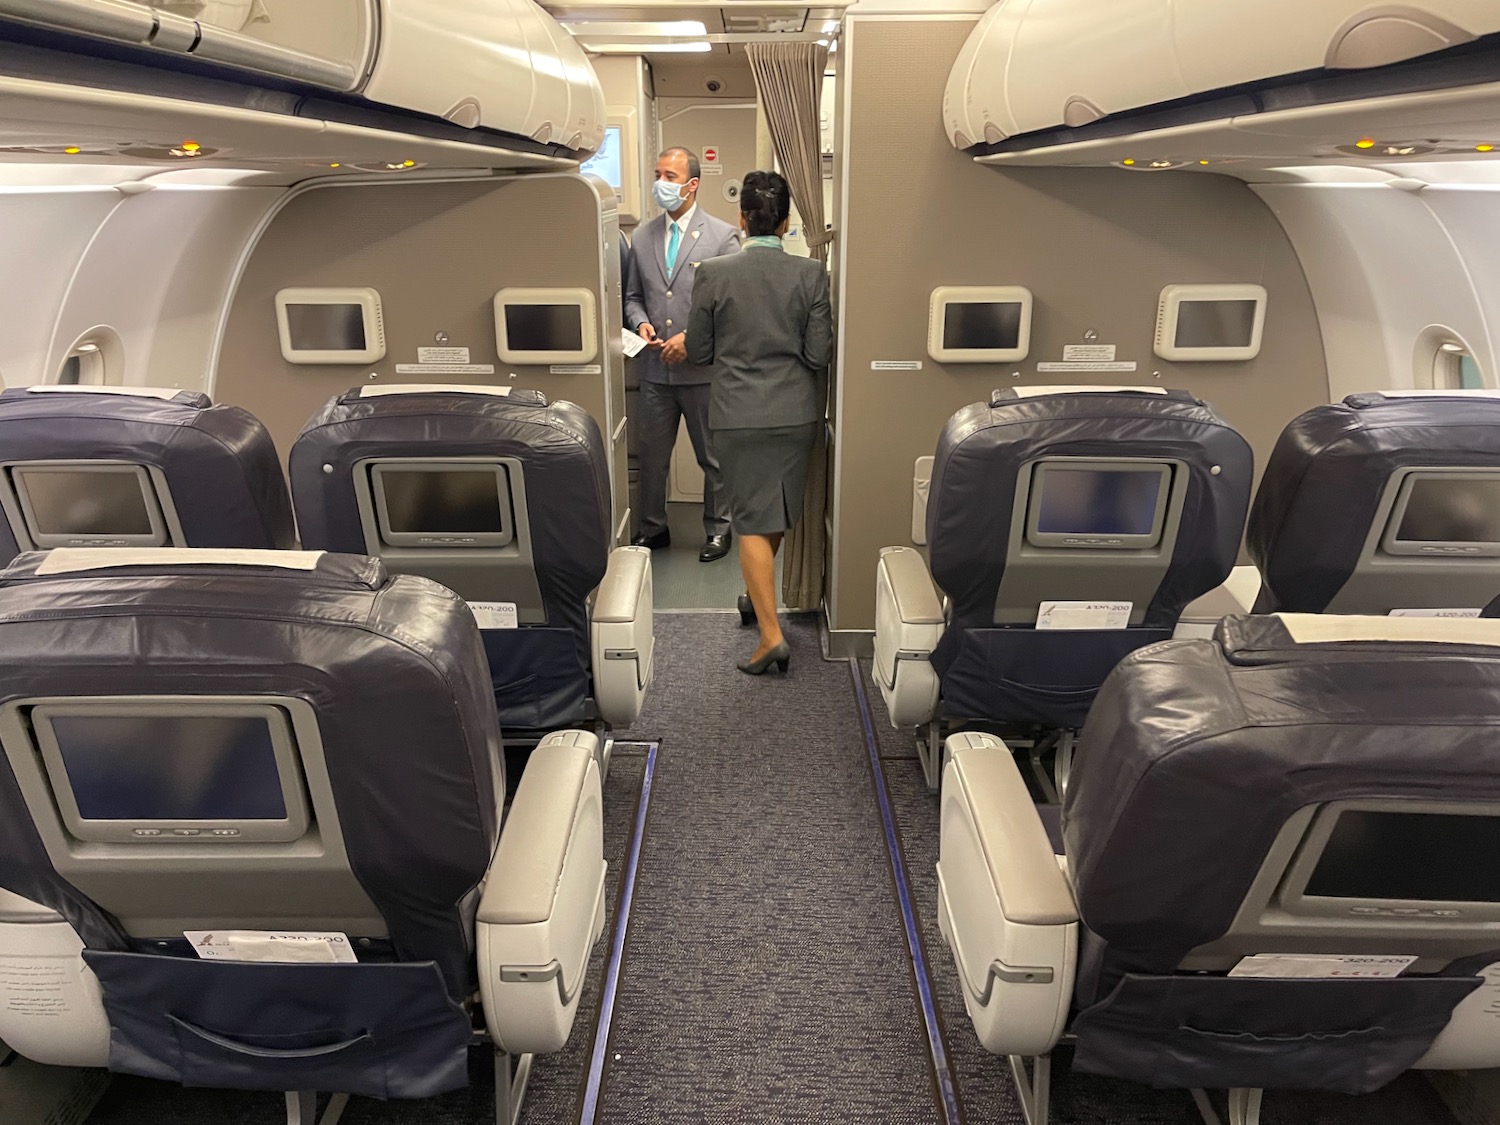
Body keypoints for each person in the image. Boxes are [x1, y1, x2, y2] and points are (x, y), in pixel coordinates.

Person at [686, 171, 833, 675]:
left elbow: (700, 351)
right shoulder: (812, 274)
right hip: (795, 415)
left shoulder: (713, 273)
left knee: (749, 519)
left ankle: (771, 636)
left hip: (737, 415)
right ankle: (758, 594)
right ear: (787, 221)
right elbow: (818, 355)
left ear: (742, 220)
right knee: (775, 513)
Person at [623, 147, 742, 563]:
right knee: (652, 459)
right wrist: (641, 324)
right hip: (655, 370)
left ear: (692, 184)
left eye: (670, 176)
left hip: (703, 372)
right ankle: (653, 528)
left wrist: (691, 338)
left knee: (713, 458)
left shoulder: (723, 237)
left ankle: (718, 530)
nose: (662, 183)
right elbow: (634, 297)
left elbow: (731, 306)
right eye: (658, 174)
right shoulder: (641, 236)